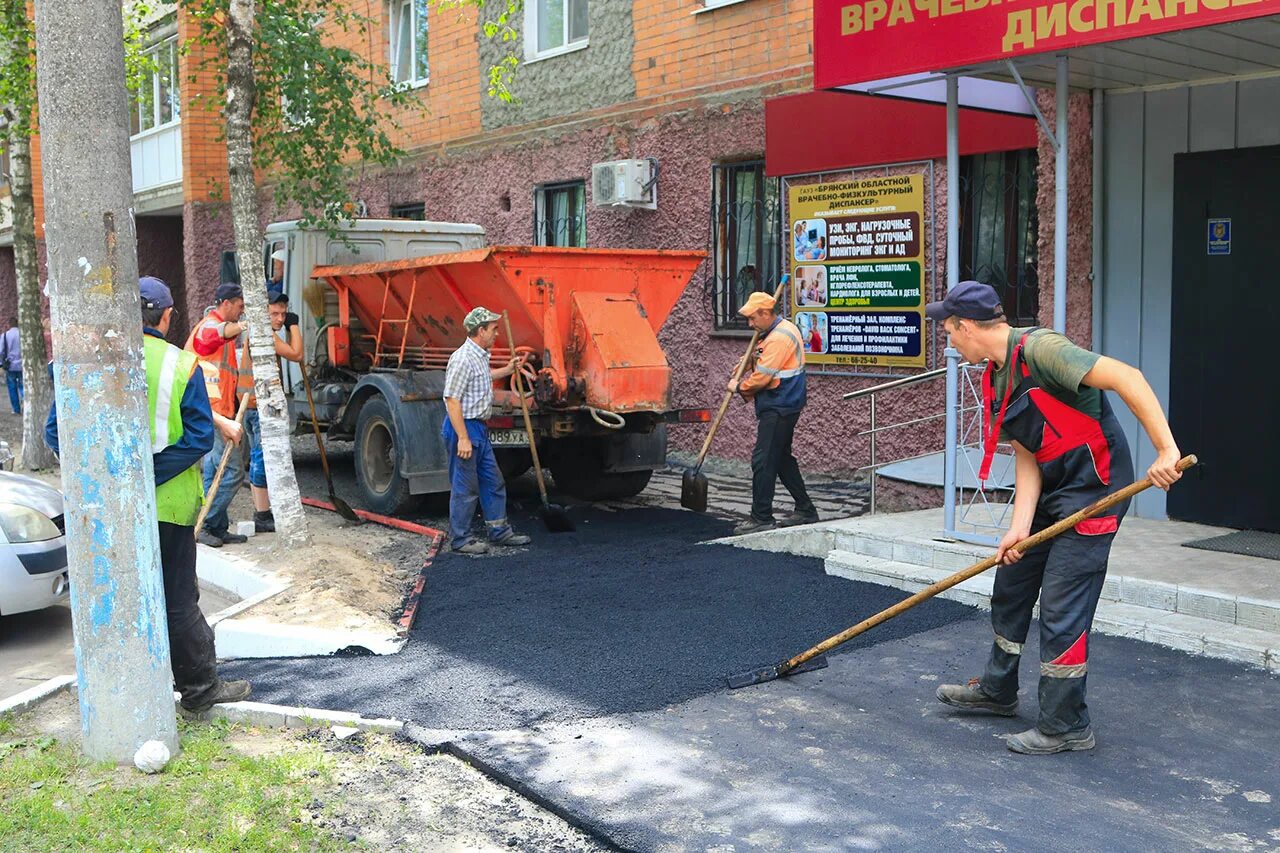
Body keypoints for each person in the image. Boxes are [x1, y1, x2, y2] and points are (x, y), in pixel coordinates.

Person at [928, 281, 1182, 755]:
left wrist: (1166, 449)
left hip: (1095, 488)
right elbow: (1028, 453)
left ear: (966, 327)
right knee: (1013, 582)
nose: (949, 341)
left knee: (1063, 606)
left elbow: (1129, 378)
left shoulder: (1043, 351)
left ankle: (1067, 725)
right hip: (1051, 487)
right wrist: (1019, 527)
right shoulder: (995, 375)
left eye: (948, 331)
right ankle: (998, 690)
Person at [45, 276, 251, 713]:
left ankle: (125, 693)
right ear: (166, 315)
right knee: (177, 600)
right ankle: (198, 691)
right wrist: (143, 476)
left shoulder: (86, 362)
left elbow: (54, 432)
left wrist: (108, 479)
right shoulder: (182, 364)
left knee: (120, 596)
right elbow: (198, 438)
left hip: (105, 511)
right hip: (168, 507)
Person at [442, 307, 532, 555]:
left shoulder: (479, 355)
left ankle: (499, 531)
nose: (497, 333)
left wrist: (506, 370)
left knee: (493, 480)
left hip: (478, 428)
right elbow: (452, 400)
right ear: (480, 330)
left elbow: (481, 377)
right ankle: (460, 539)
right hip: (465, 427)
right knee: (465, 486)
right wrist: (462, 437)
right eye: (493, 329)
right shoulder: (461, 359)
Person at [729, 291, 819, 535]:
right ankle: (806, 509)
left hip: (780, 404)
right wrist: (744, 364)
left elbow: (763, 377)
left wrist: (739, 387)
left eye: (752, 318)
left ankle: (761, 517)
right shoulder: (770, 334)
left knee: (763, 459)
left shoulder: (779, 337)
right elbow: (757, 358)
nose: (750, 324)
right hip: (781, 404)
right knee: (780, 459)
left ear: (766, 313)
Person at [186, 282, 256, 548]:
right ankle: (205, 524)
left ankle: (216, 527)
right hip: (211, 413)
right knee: (234, 471)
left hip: (215, 411)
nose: (241, 312)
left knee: (214, 470)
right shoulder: (208, 328)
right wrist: (245, 326)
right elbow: (218, 333)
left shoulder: (220, 333)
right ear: (226, 304)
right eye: (239, 307)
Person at [246, 292, 305, 533]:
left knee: (257, 456)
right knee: (262, 457)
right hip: (258, 405)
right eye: (275, 314)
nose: (280, 319)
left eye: (283, 314)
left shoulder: (255, 332)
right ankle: (261, 514)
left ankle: (262, 510)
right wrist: (294, 326)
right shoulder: (264, 335)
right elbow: (296, 354)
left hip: (250, 403)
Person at [1, 317, 22, 414]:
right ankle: (26, 404)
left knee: (12, 387)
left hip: (10, 365)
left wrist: (1, 364)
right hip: (22, 365)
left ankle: (16, 409)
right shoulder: (23, 335)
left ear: (9, 324)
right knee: (23, 386)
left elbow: (1, 351)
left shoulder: (5, 336)